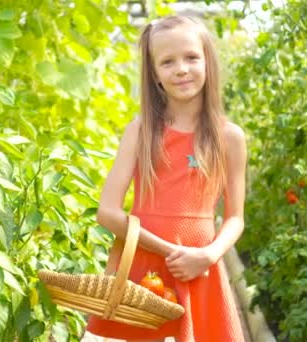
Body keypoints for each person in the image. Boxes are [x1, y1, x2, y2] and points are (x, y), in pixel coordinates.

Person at [85, 15, 247, 342]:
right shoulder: (142, 131)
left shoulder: (229, 137)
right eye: (167, 62)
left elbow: (235, 218)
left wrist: (208, 255)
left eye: (191, 57)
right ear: (156, 75)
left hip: (200, 270)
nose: (182, 69)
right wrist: (172, 252)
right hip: (143, 269)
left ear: (207, 62)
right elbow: (108, 212)